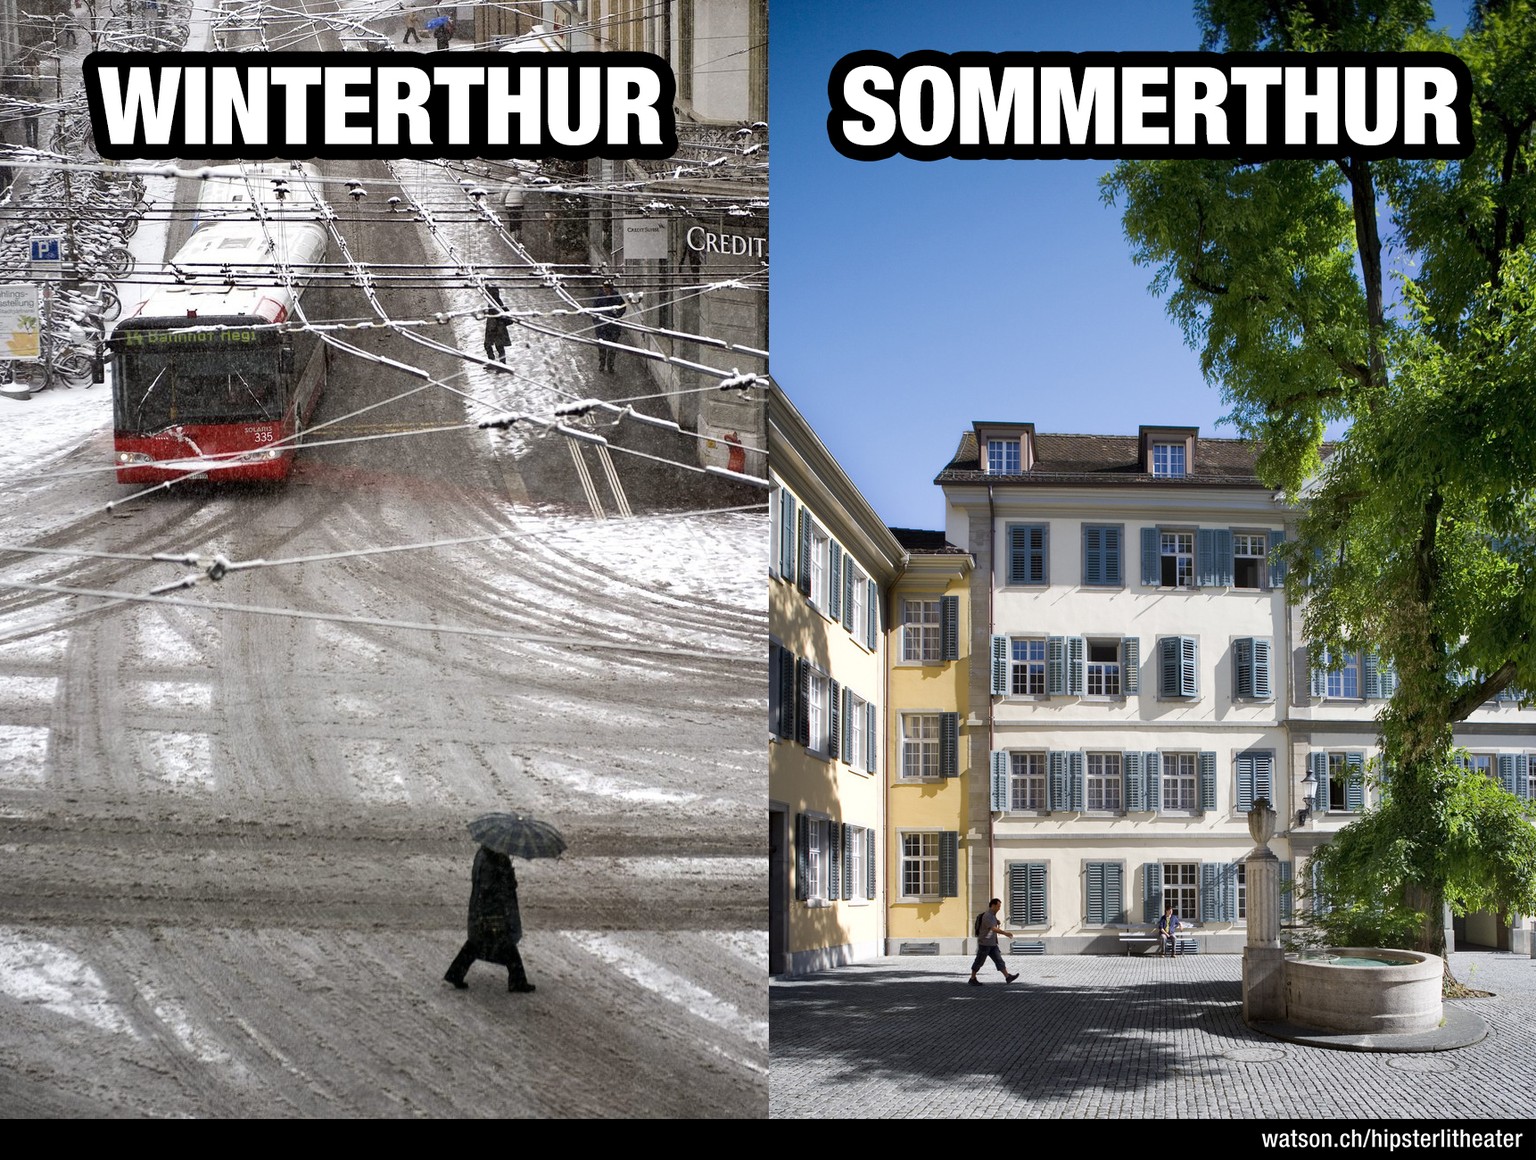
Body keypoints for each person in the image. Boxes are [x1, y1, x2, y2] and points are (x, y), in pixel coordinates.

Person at [444, 846, 535, 992]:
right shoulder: (493, 861)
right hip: (493, 912)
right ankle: (517, 981)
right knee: (506, 944)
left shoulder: (483, 855)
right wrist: (508, 877)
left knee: (476, 943)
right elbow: (493, 887)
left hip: (481, 910)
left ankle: (455, 973)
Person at [968, 897, 1020, 986]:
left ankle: (1008, 977)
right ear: (993, 905)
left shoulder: (992, 916)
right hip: (985, 943)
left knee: (999, 960)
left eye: (1000, 906)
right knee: (979, 961)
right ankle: (972, 978)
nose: (999, 908)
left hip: (992, 943)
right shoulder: (987, 915)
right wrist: (1005, 933)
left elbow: (992, 925)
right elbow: (993, 928)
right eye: (998, 906)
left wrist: (997, 921)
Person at [593, 279, 625, 373]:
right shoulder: (599, 296)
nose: (605, 290)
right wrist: (597, 321)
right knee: (602, 346)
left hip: (613, 327)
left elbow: (623, 308)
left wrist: (617, 314)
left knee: (612, 347)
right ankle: (602, 364)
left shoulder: (617, 297)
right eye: (604, 288)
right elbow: (594, 309)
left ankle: (610, 365)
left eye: (607, 289)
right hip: (601, 327)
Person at [483, 287, 510, 363]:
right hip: (494, 327)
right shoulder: (496, 302)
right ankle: (500, 363)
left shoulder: (496, 303)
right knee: (497, 347)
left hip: (495, 328)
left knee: (492, 345)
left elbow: (507, 315)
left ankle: (495, 362)